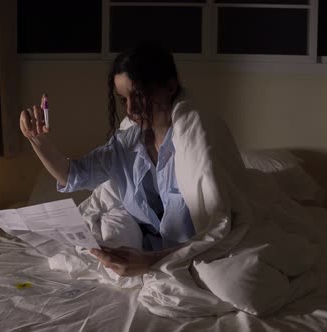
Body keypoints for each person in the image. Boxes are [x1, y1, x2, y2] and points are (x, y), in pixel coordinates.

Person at [19, 42, 195, 277]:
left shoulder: (193, 144)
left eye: (138, 95)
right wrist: (37, 140)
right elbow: (74, 174)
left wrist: (149, 261)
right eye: (123, 100)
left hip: (193, 252)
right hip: (149, 253)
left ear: (170, 87)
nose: (131, 109)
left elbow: (216, 229)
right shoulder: (125, 144)